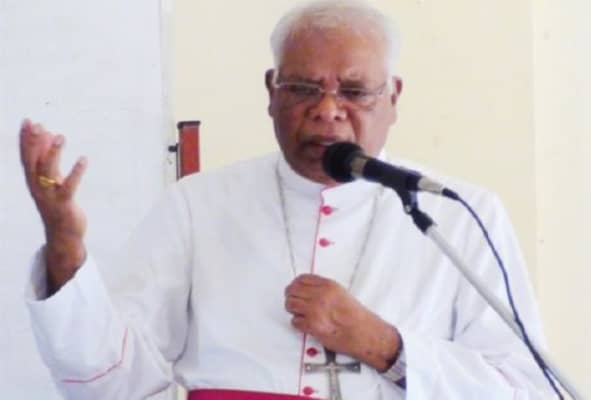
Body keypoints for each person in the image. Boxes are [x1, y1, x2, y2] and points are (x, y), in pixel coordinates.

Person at [20, 1, 552, 399]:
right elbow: (108, 380)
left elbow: (526, 389)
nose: (327, 110)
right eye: (303, 88)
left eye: (353, 91)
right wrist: (64, 246)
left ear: (393, 97)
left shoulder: (459, 215)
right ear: (271, 92)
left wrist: (385, 346)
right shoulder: (197, 206)